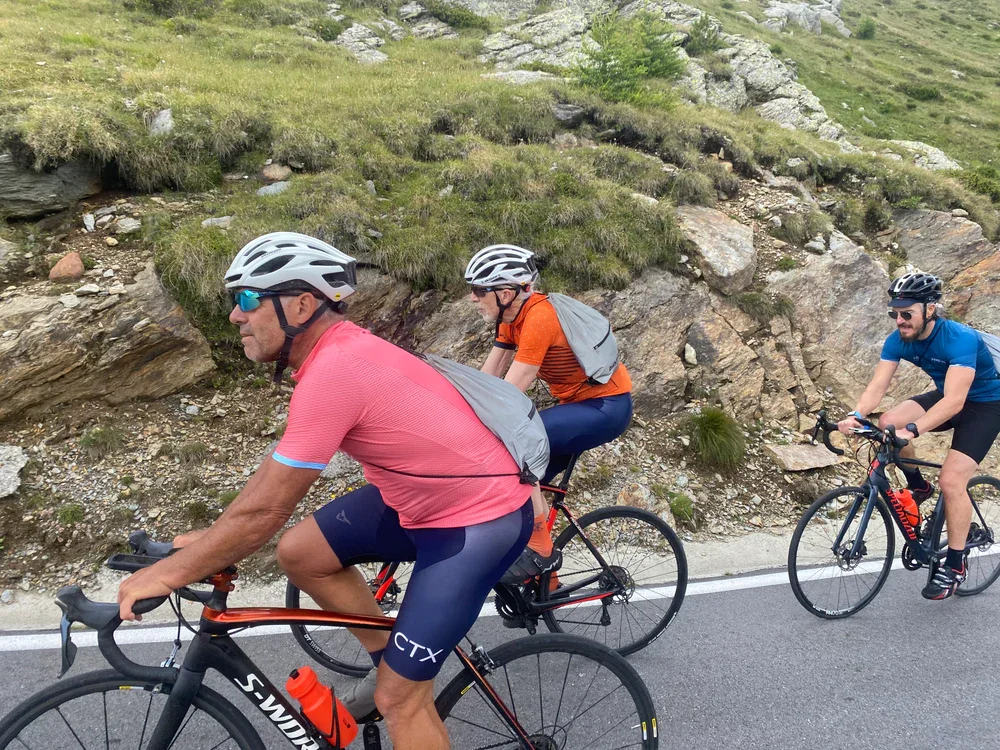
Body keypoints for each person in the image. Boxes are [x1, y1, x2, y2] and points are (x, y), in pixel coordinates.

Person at [117, 232, 533, 750]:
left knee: (398, 702)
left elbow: (269, 507)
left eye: (246, 299)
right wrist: (212, 538)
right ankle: (395, 663)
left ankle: (400, 689)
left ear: (301, 304)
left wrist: (168, 574)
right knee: (301, 552)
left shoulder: (337, 370)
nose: (235, 316)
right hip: (420, 503)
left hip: (477, 523)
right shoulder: (336, 355)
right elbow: (269, 485)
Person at [465, 244, 633, 582]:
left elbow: (510, 394)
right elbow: (488, 379)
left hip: (606, 407)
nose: (472, 298)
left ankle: (541, 550)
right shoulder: (510, 318)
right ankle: (546, 582)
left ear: (506, 292)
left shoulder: (540, 317)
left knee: (515, 450)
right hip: (577, 406)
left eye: (478, 290)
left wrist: (474, 427)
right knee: (518, 484)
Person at [838, 271, 1000, 600]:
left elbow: (955, 402)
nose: (899, 320)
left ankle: (954, 565)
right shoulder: (898, 339)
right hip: (947, 397)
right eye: (894, 313)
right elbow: (878, 386)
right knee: (886, 421)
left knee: (953, 481)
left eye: (906, 313)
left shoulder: (959, 339)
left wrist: (912, 430)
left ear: (930, 309)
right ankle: (918, 486)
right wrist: (857, 415)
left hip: (985, 405)